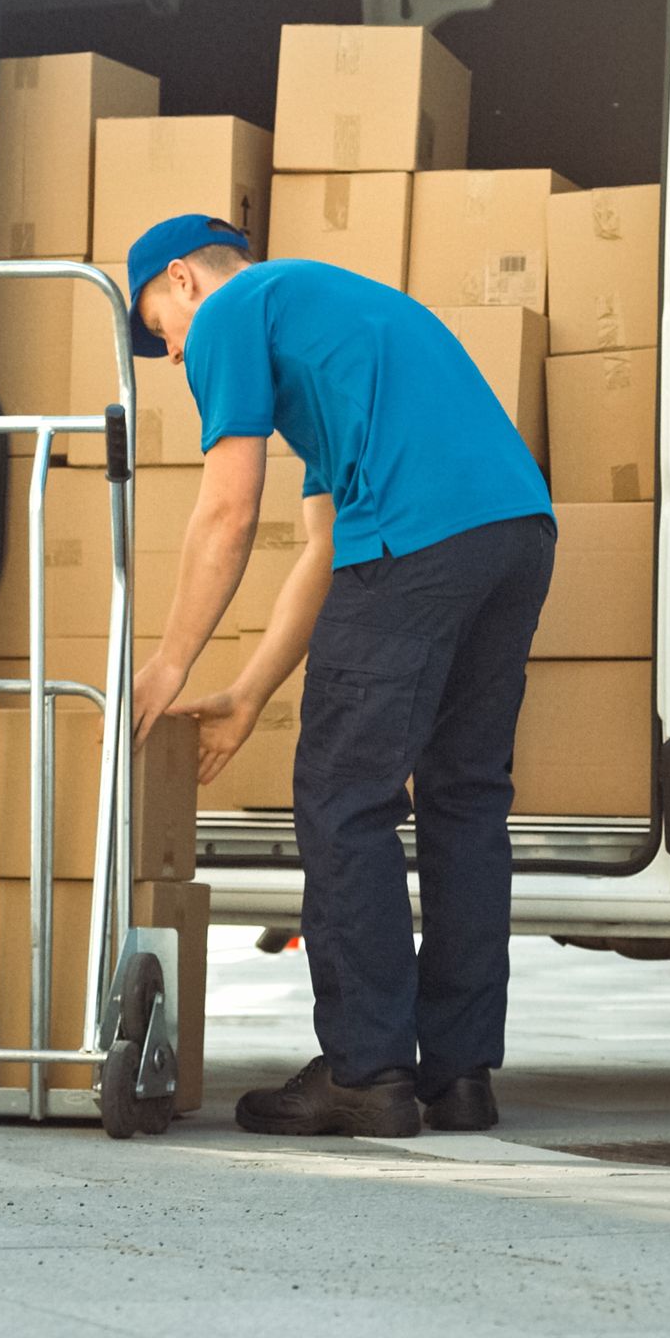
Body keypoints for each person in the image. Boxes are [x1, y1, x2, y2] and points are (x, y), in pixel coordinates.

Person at [124, 214, 556, 1138]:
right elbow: (322, 551)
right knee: (466, 798)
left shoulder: (236, 308)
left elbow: (226, 512)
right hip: (517, 530)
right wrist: (248, 691)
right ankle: (459, 1072)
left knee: (343, 797)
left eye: (155, 321)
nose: (166, 354)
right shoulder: (331, 319)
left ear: (184, 280)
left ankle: (366, 1070)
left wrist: (168, 660)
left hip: (421, 538)